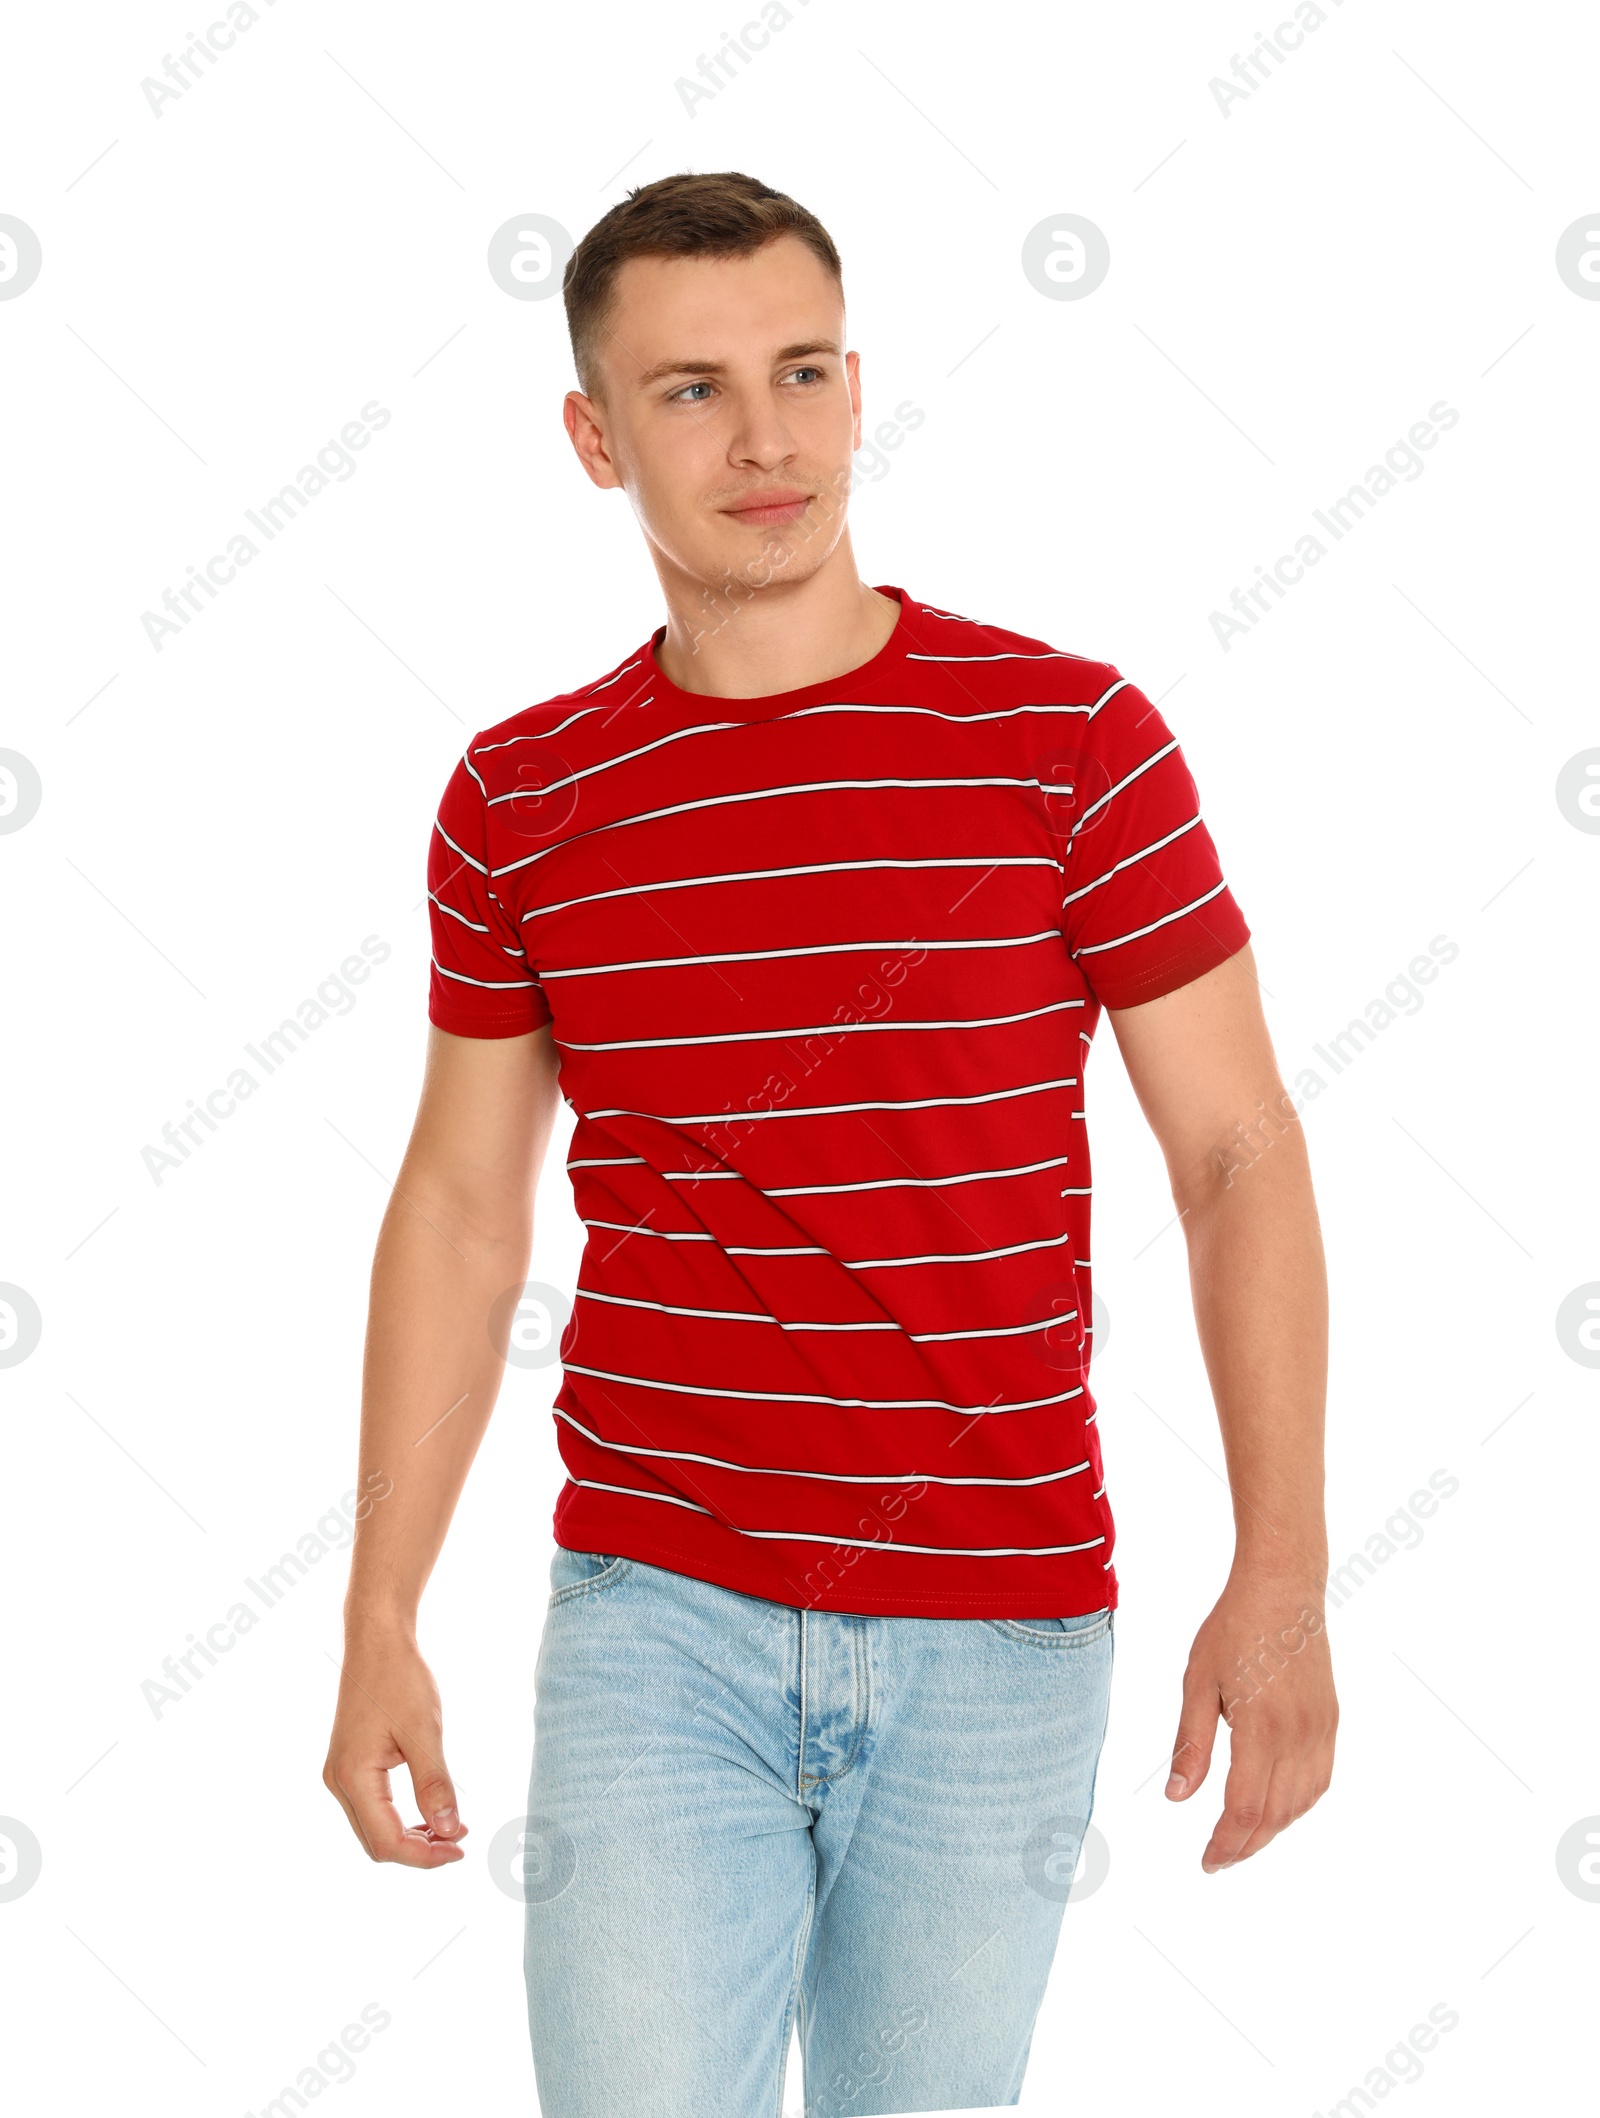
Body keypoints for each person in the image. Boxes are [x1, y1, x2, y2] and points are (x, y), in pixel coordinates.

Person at [322, 170, 1337, 2117]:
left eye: (799, 371)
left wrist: (1277, 1569)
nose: (765, 436)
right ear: (591, 435)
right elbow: (458, 1208)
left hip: (1002, 1619)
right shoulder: (522, 796)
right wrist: (378, 1619)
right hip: (657, 1615)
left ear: (858, 386)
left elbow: (1235, 1155)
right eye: (690, 391)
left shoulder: (1067, 743)